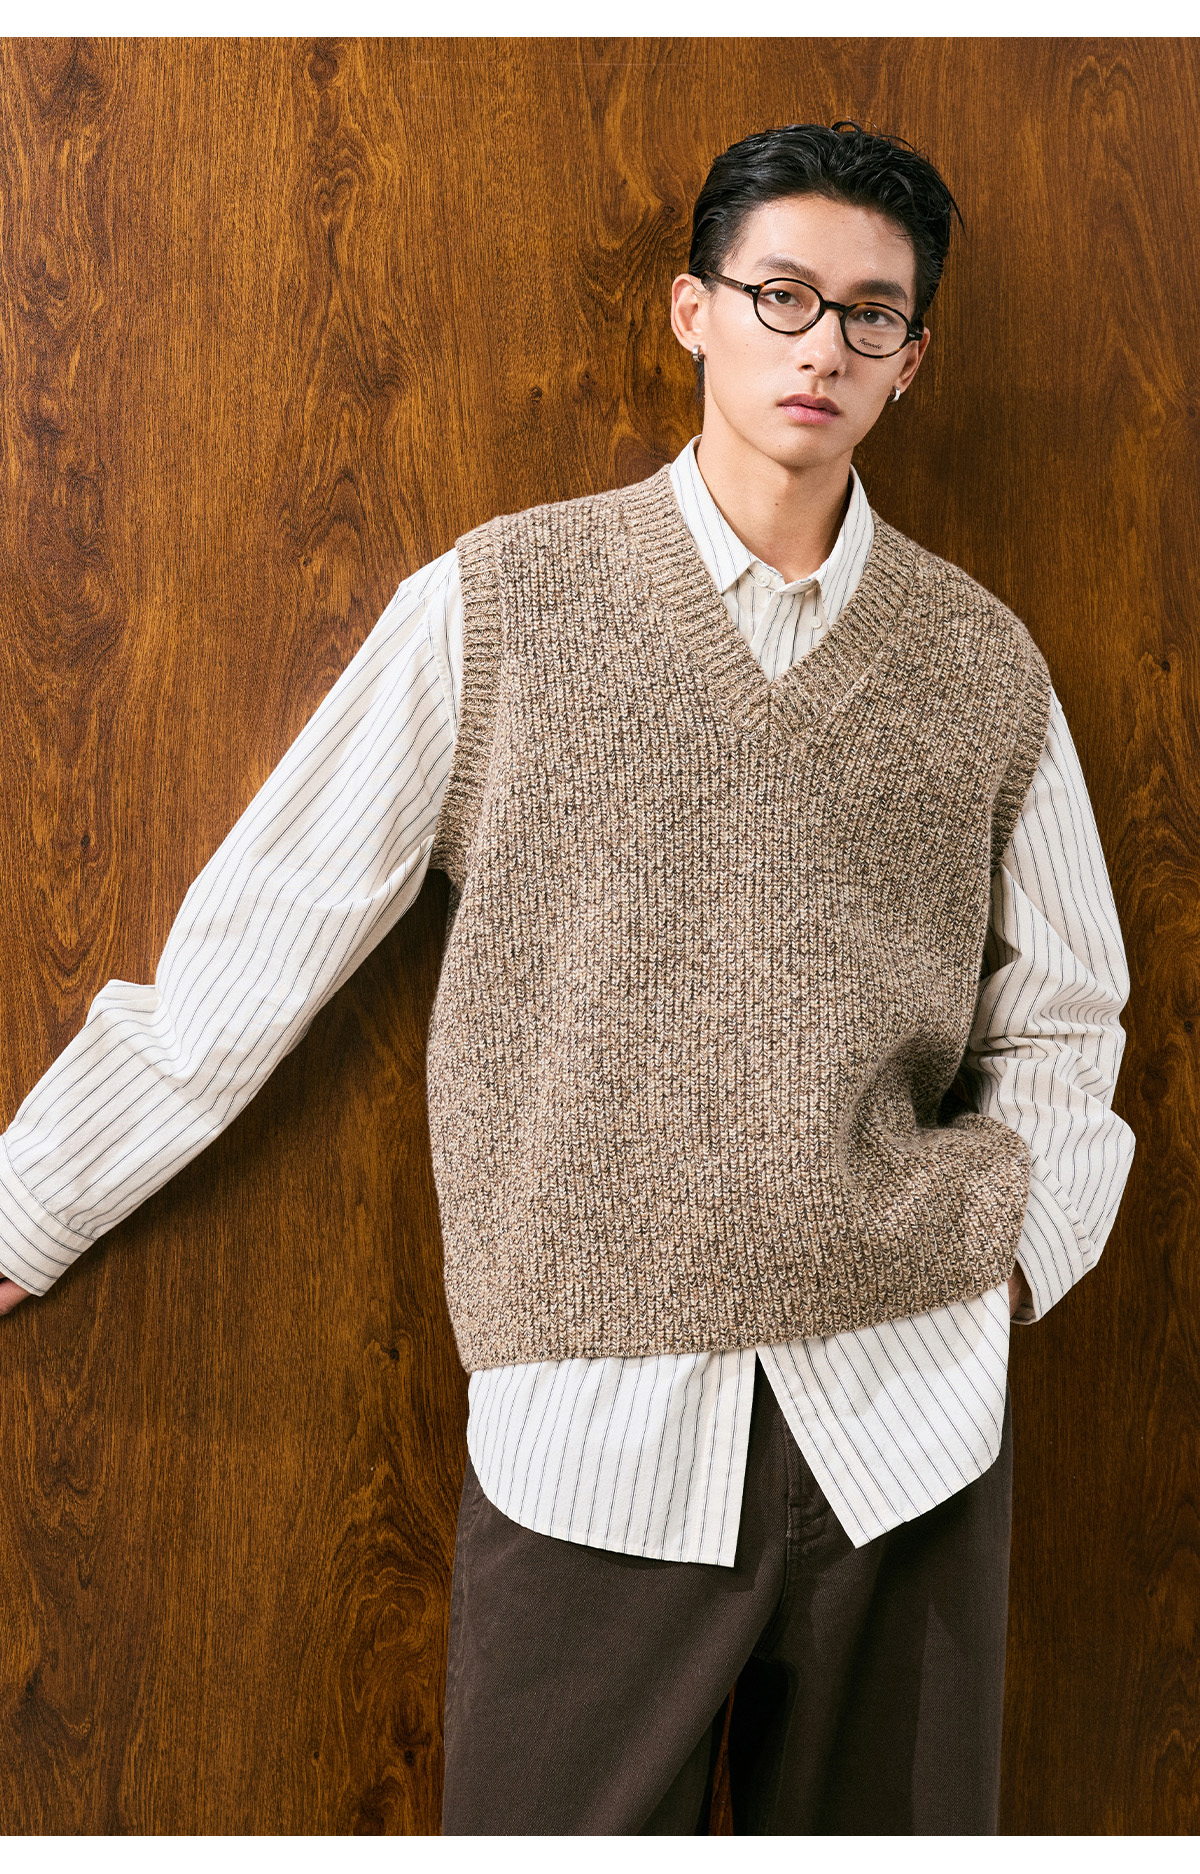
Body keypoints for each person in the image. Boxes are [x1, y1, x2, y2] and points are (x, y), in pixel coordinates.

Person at [0, 121, 1135, 1834]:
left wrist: (1013, 1262)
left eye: (872, 314)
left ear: (914, 356)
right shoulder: (504, 605)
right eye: (781, 294)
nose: (822, 345)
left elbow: (1067, 1013)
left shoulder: (982, 662)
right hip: (596, 1435)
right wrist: (33, 1199)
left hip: (910, 1422)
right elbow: (262, 934)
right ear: (694, 310)